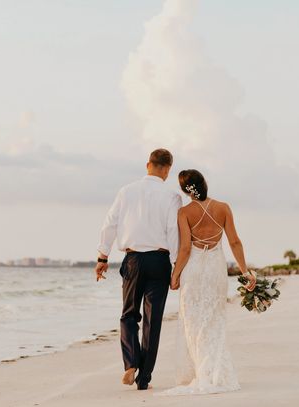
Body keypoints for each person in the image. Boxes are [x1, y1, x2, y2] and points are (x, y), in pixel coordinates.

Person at [158, 168, 255, 396]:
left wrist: (174, 276)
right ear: (204, 183)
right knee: (214, 320)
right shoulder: (223, 208)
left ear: (185, 190)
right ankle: (215, 372)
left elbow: (184, 249)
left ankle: (200, 373)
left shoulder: (184, 212)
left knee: (193, 322)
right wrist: (245, 272)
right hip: (215, 269)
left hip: (193, 270)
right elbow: (235, 242)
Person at [95, 148, 182, 390]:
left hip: (133, 260)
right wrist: (176, 267)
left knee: (129, 315)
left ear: (148, 165)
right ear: (167, 169)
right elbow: (174, 233)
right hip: (159, 261)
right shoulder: (172, 196)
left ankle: (130, 363)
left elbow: (110, 224)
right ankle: (144, 378)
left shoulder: (126, 191)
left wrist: (103, 257)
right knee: (153, 322)